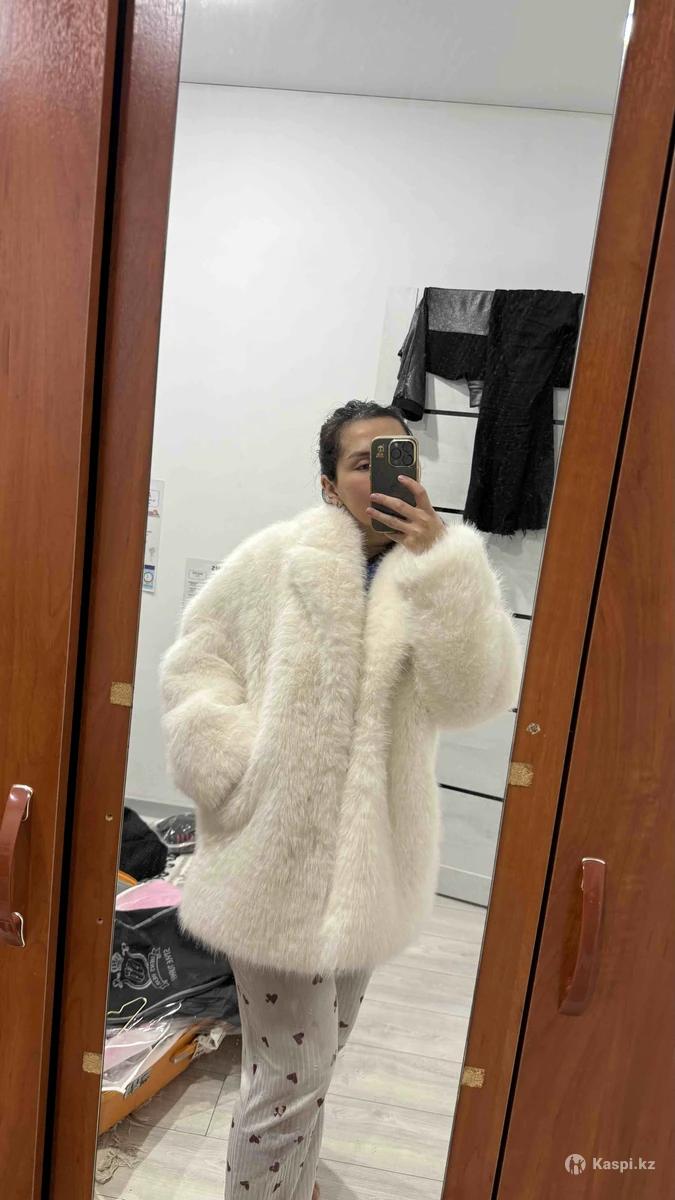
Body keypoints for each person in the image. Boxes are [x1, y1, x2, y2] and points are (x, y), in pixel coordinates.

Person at [158, 400, 523, 1199]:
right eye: (363, 462)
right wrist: (234, 765)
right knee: (289, 1075)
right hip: (269, 861)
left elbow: (473, 696)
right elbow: (195, 666)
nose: (385, 473)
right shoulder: (272, 561)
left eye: (400, 456)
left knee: (313, 1063)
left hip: (371, 866)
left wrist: (444, 567)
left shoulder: (434, 576)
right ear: (329, 485)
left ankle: (291, 1185)